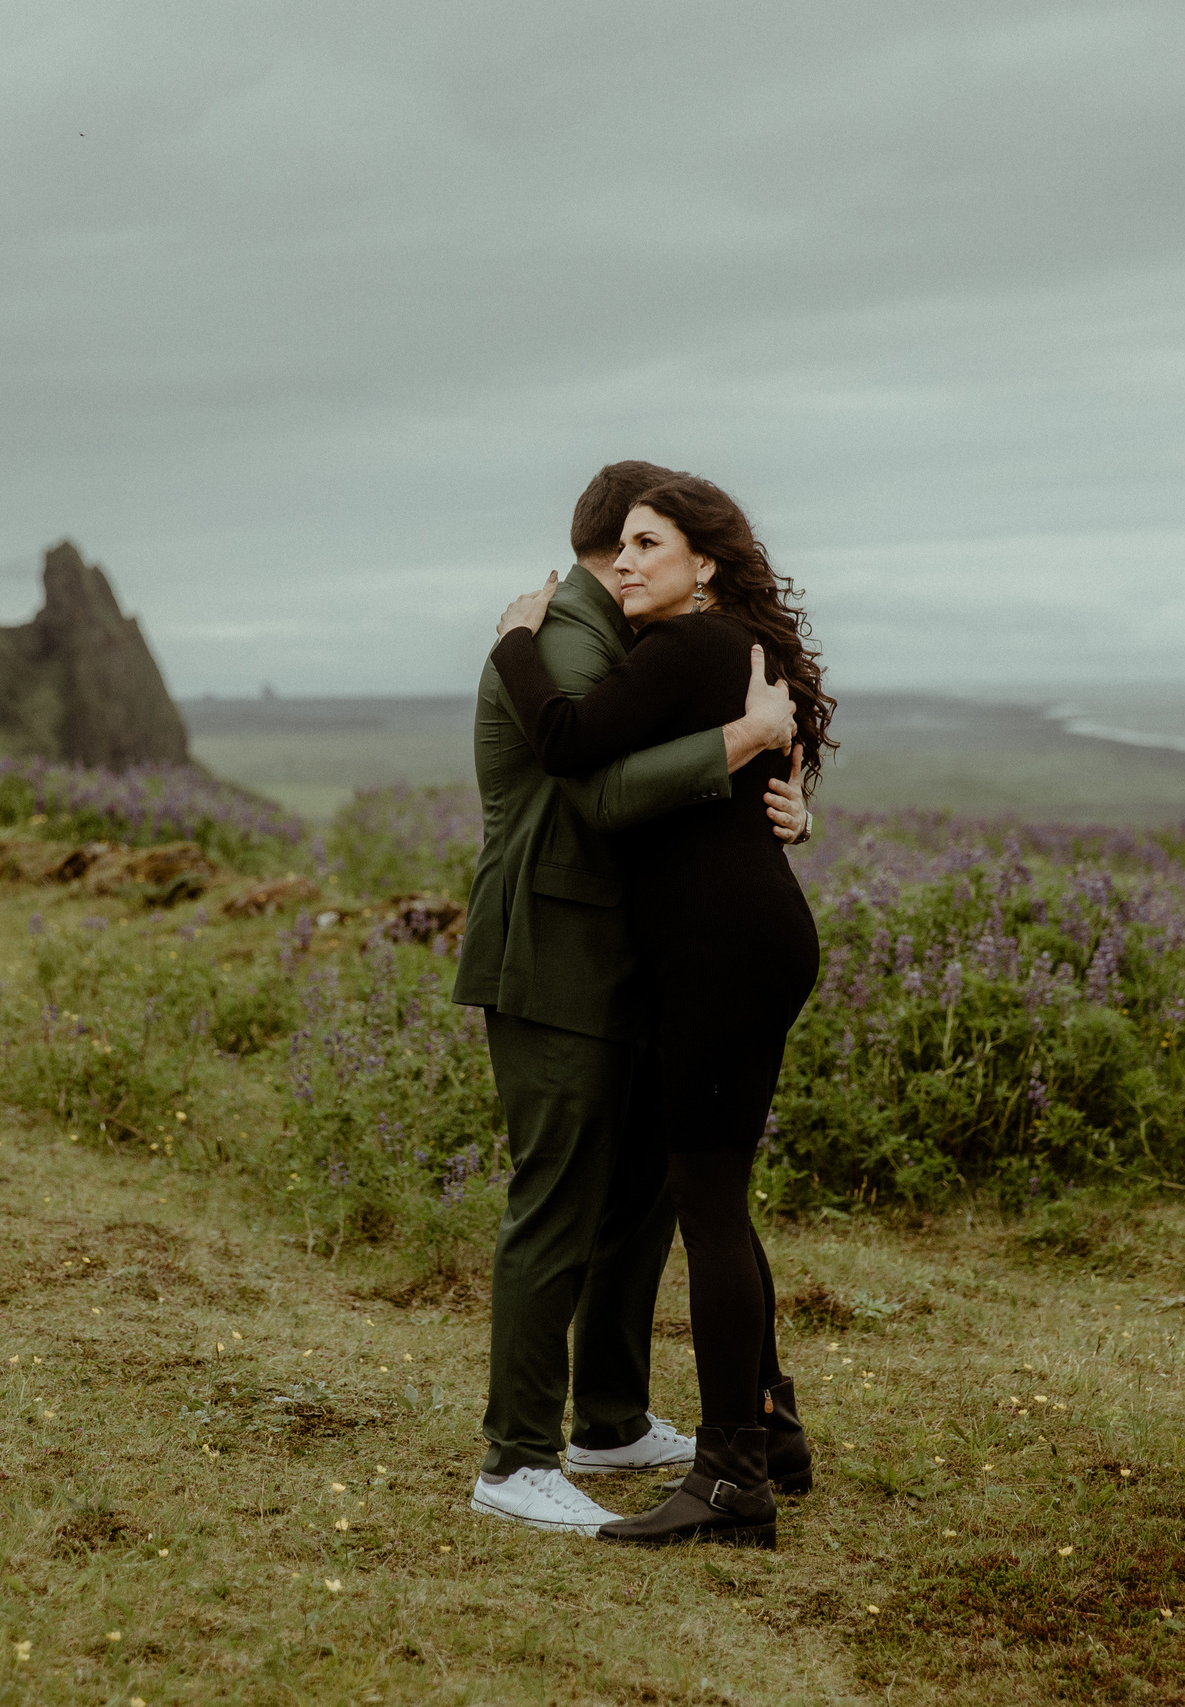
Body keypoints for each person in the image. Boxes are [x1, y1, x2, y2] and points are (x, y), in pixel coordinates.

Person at [454, 461, 814, 1535]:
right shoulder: (567, 631)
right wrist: (742, 744)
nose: (627, 564)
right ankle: (515, 1459)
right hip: (551, 952)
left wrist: (777, 798)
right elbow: (599, 786)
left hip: (630, 957)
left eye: (649, 547)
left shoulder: (639, 634)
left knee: (642, 1194)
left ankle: (607, 1418)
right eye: (626, 545)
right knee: (559, 1197)